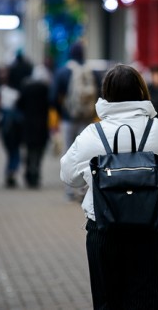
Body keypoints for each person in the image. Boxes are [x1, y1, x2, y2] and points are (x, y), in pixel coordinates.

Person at [60, 64, 158, 310]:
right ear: (141, 90)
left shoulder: (92, 135)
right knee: (149, 302)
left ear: (106, 93)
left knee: (108, 303)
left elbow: (68, 175)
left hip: (104, 230)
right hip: (150, 229)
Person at [51, 41, 98, 201]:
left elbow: (53, 97)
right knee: (87, 153)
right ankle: (85, 189)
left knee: (69, 153)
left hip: (69, 119)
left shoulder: (63, 72)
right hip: (87, 119)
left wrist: (62, 113)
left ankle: (70, 190)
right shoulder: (91, 72)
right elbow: (100, 94)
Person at [17, 64, 50, 188]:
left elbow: (19, 104)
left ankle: (28, 174)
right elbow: (49, 105)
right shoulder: (45, 89)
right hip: (41, 125)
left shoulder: (26, 88)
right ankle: (36, 174)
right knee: (39, 151)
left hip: (28, 125)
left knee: (29, 151)